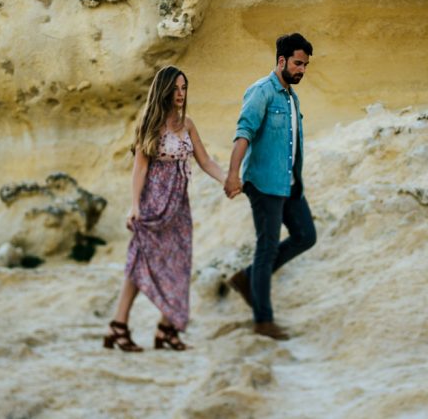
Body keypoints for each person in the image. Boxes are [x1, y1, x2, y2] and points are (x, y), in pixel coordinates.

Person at [104, 66, 226, 352]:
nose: (180, 94)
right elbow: (139, 169)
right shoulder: (149, 124)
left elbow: (205, 161)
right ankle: (117, 326)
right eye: (175, 88)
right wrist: (134, 206)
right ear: (164, 90)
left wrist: (228, 180)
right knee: (140, 262)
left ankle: (166, 329)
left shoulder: (188, 124)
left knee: (179, 264)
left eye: (184, 88)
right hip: (152, 203)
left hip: (179, 206)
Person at [223, 33, 317, 340]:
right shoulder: (261, 91)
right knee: (266, 248)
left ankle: (248, 279)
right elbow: (244, 133)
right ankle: (263, 320)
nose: (302, 69)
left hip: (289, 183)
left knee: (305, 235)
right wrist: (233, 174)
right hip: (263, 184)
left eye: (305, 65)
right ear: (281, 60)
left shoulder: (291, 96)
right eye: (297, 63)